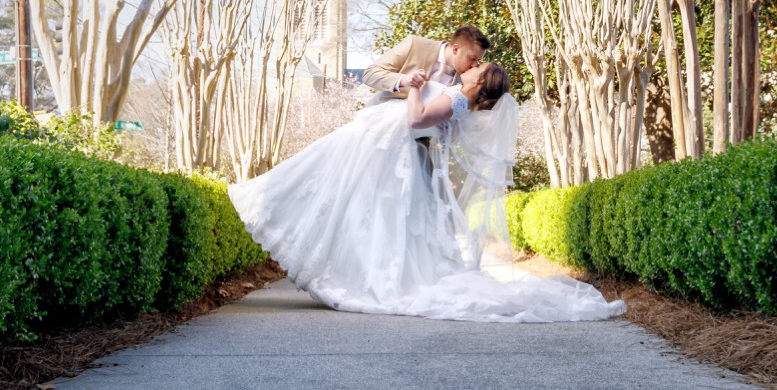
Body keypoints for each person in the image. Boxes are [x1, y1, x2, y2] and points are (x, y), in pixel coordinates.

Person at [229, 57, 623, 324]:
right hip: (380, 145)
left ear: (480, 81)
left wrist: (415, 85)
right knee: (342, 197)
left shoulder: (455, 99)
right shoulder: (459, 99)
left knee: (323, 184)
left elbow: (416, 119)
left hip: (386, 145)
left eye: (478, 68)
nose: (471, 68)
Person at [360, 25, 487, 100]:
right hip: (381, 126)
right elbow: (370, 74)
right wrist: (404, 80)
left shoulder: (466, 81)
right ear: (455, 49)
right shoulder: (414, 44)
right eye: (472, 58)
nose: (475, 65)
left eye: (478, 61)